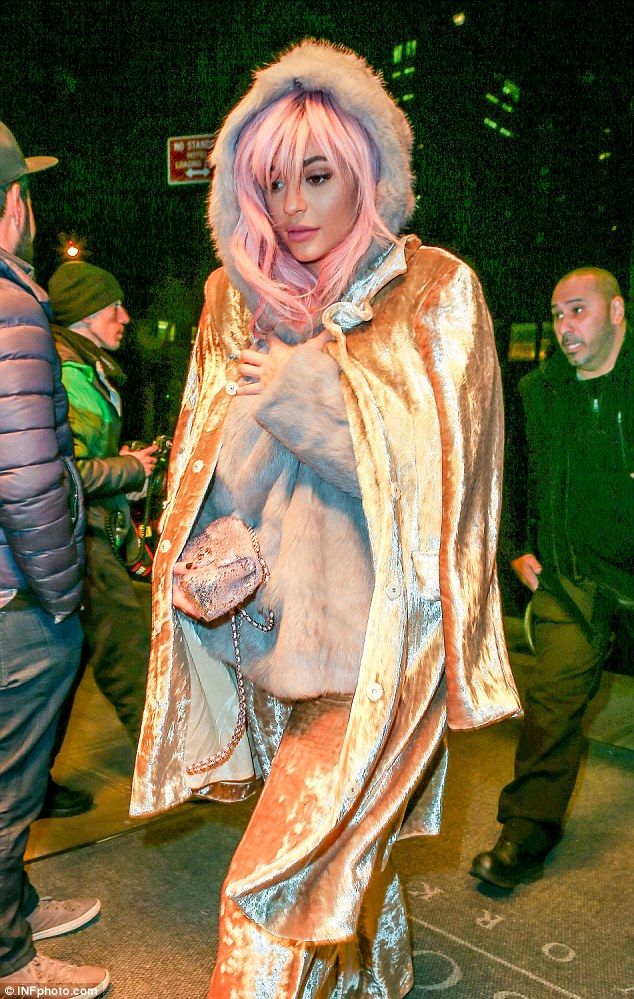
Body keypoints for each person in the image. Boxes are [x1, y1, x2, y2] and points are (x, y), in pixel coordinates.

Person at [131, 41, 520, 997]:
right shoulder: (236, 300)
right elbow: (209, 477)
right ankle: (376, 982)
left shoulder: (434, 291)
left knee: (268, 896)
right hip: (269, 645)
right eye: (274, 183)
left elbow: (449, 489)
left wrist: (304, 395)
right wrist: (208, 541)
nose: (294, 206)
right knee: (338, 872)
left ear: (368, 175)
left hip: (383, 659)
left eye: (317, 176)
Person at [471, 267, 632, 890]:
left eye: (578, 311)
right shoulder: (539, 392)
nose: (565, 327)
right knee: (551, 706)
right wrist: (515, 548)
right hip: (574, 577)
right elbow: (509, 472)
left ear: (616, 312)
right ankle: (526, 831)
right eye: (558, 314)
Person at [0, 122, 109, 995]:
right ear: (12, 204)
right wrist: (62, 597)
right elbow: (31, 474)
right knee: (8, 788)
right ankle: (8, 956)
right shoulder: (10, 303)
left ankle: (17, 906)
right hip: (15, 596)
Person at [45, 261, 157, 779]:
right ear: (88, 313)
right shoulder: (69, 374)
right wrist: (130, 468)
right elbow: (68, 471)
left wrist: (127, 463)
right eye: (115, 307)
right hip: (79, 535)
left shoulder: (82, 366)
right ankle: (162, 767)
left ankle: (33, 781)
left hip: (79, 531)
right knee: (128, 653)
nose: (125, 317)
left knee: (63, 669)